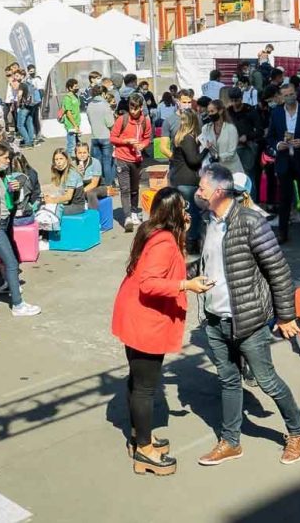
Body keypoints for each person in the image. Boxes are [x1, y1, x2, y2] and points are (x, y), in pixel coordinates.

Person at [194, 164, 300, 467]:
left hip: (248, 320)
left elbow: (280, 272)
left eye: (202, 187)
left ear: (218, 191)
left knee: (267, 381)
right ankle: (231, 442)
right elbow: (208, 263)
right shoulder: (210, 221)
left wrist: (285, 317)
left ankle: (297, 431)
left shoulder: (251, 223)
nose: (198, 191)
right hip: (215, 319)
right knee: (229, 380)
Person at [112, 188, 210, 476]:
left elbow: (169, 269)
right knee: (145, 387)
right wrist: (186, 286)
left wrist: (182, 235)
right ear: (173, 213)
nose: (187, 211)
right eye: (183, 208)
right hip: (146, 321)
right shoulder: (164, 242)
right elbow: (151, 283)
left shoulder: (153, 232)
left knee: (137, 381)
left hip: (135, 315)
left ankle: (140, 437)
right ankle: (144, 450)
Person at [0, 142, 42, 317]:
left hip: (4, 224)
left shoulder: (2, 174)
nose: (8, 161)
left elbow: (12, 192)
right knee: (11, 263)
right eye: (5, 158)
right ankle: (18, 304)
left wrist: (15, 190)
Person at [266, 83, 300, 245]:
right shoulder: (276, 113)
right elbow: (270, 137)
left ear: (296, 94)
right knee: (284, 200)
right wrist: (277, 145)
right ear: (281, 97)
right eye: (285, 95)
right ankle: (282, 233)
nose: (289, 97)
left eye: (291, 94)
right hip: (284, 160)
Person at [110, 94, 152, 232]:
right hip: (122, 159)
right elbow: (112, 138)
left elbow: (147, 138)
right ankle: (127, 216)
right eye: (131, 108)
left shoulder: (146, 121)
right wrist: (126, 141)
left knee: (135, 188)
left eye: (136, 108)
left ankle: (134, 211)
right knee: (125, 189)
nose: (133, 111)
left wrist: (142, 145)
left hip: (137, 160)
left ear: (141, 108)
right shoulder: (122, 119)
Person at [168, 111, 204, 255]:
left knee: (182, 214)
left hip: (178, 180)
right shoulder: (188, 139)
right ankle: (191, 243)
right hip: (187, 182)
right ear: (194, 122)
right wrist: (206, 149)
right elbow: (194, 161)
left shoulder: (179, 138)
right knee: (192, 215)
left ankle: (182, 241)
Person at [226, 87, 262, 180]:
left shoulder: (250, 111)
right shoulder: (228, 112)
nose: (234, 103)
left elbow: (260, 131)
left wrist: (247, 136)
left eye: (236, 100)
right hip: (232, 149)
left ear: (241, 98)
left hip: (247, 148)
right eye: (232, 101)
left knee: (247, 176)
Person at [200, 100, 242, 175]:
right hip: (216, 171)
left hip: (232, 170)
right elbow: (203, 144)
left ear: (220, 111)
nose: (210, 114)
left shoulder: (231, 128)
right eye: (208, 112)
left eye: (212, 111)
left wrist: (218, 157)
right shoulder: (206, 128)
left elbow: (231, 152)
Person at [86, 85, 116, 186]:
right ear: (103, 94)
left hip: (94, 137)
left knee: (97, 163)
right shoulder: (105, 105)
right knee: (107, 162)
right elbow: (110, 123)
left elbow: (90, 121)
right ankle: (108, 185)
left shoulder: (89, 105)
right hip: (106, 137)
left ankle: (99, 184)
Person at [45, 148, 87, 216]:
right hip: (67, 203)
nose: (58, 162)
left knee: (51, 211)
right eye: (56, 159)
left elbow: (68, 197)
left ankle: (55, 226)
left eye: (61, 159)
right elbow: (57, 189)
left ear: (66, 159)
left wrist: (53, 200)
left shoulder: (71, 173)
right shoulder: (61, 171)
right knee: (43, 206)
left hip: (77, 206)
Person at [73, 143, 107, 211]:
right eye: (79, 153)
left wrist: (80, 192)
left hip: (98, 187)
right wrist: (76, 173)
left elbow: (94, 183)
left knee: (90, 193)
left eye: (84, 152)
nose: (82, 155)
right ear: (76, 154)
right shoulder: (73, 164)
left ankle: (94, 215)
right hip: (81, 188)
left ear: (88, 153)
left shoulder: (95, 162)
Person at [61, 78, 82, 153]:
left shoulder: (76, 96)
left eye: (77, 86)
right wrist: (74, 125)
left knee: (77, 143)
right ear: (70, 88)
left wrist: (77, 124)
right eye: (75, 86)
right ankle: (69, 160)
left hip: (76, 123)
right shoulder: (67, 98)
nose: (77, 88)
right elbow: (68, 112)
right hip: (71, 125)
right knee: (71, 145)